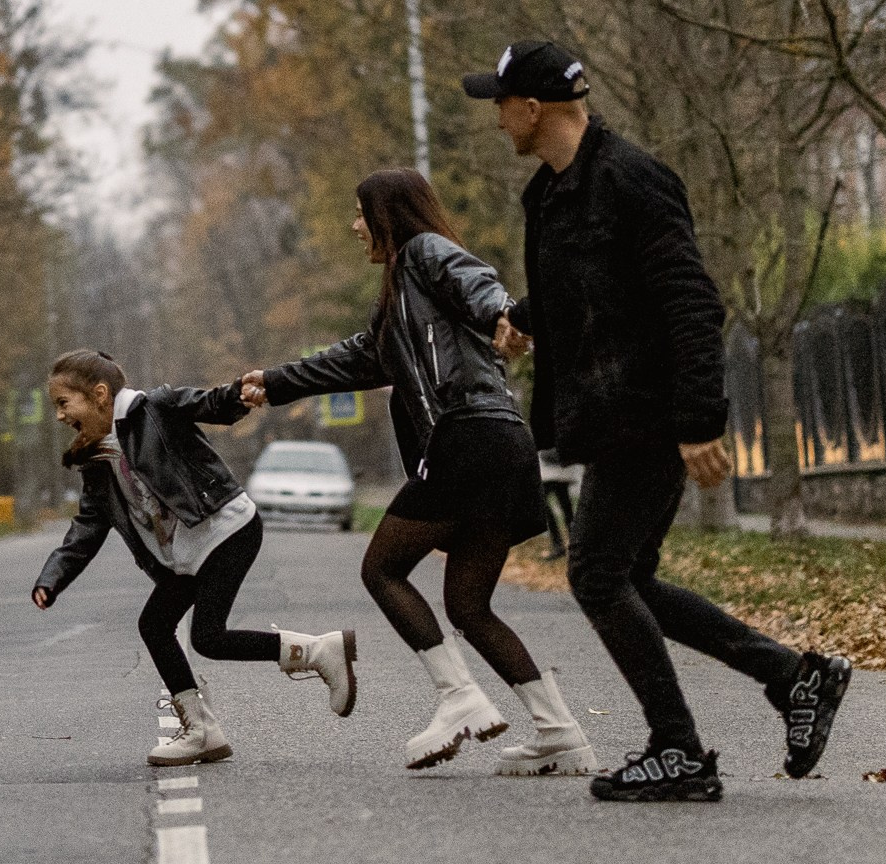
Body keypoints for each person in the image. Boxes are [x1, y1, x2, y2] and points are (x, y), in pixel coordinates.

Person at [469, 40, 851, 802]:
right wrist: (520, 318)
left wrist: (700, 419)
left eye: (501, 102)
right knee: (628, 576)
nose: (495, 118)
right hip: (606, 414)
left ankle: (678, 748)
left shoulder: (633, 181)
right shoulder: (548, 194)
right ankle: (793, 676)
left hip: (648, 412)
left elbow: (690, 301)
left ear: (534, 107)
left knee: (597, 573)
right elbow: (581, 287)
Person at [239, 169, 596, 777]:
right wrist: (273, 383)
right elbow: (359, 358)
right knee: (468, 605)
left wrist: (505, 315)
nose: (356, 228)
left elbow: (477, 283)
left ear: (388, 214)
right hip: (500, 443)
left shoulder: (426, 252)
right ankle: (561, 733)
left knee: (381, 568)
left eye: (360, 215)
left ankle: (458, 698)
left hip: (469, 436)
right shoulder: (400, 297)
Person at [32, 349, 358, 766]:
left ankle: (317, 653)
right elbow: (88, 526)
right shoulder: (97, 458)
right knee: (155, 624)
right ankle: (203, 730)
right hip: (184, 552)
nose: (59, 415)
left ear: (98, 394)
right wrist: (52, 576)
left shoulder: (153, 409)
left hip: (225, 529)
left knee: (207, 636)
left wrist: (244, 392)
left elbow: (211, 404)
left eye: (64, 403)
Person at [539, 449, 581, 562]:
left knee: (561, 504)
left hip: (555, 465)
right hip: (561, 464)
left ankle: (561, 545)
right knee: (564, 504)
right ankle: (570, 545)